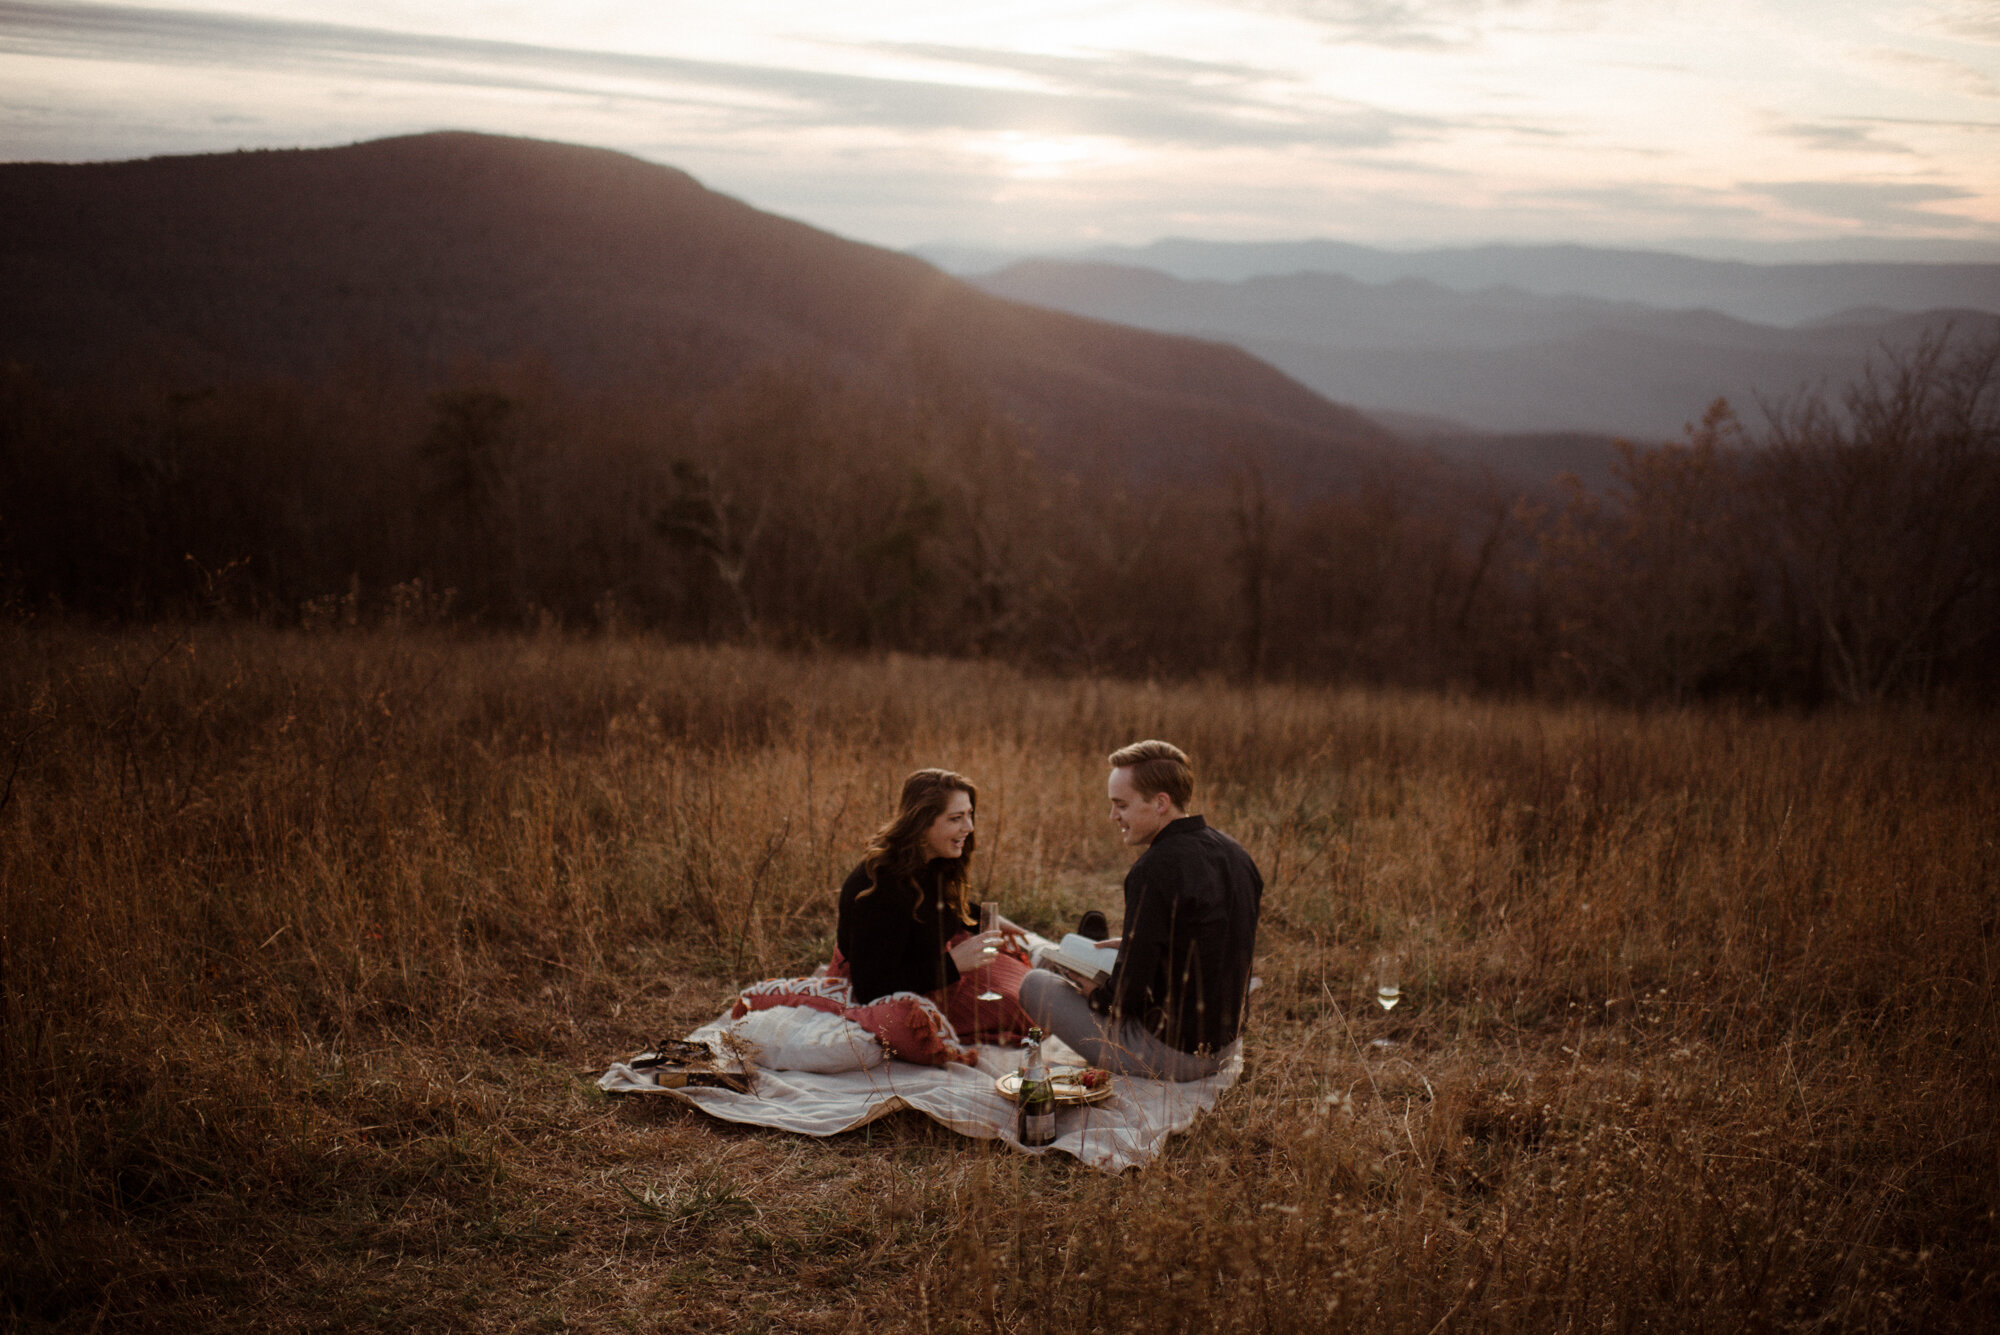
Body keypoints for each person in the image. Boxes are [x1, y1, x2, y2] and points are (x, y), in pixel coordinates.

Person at [1021, 740, 1262, 1080]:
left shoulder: (1154, 868)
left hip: (1176, 1056)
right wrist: (1149, 943)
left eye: (1121, 805)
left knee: (1034, 983)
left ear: (1161, 802)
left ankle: (1055, 958)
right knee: (1095, 960)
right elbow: (1223, 939)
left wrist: (1097, 997)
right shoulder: (1235, 853)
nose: (1113, 816)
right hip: (1224, 1045)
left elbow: (1124, 1000)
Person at [834, 767, 1032, 1043]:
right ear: (922, 822)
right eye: (956, 818)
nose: (969, 827)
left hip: (932, 967)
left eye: (969, 815)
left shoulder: (931, 860)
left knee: (1029, 983)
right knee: (1023, 1006)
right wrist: (952, 964)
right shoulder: (882, 889)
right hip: (902, 989)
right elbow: (871, 987)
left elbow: (935, 907)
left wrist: (983, 917)